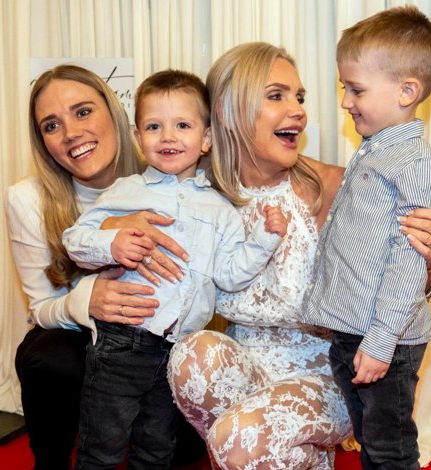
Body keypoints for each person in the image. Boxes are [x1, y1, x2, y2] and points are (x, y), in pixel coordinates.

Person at [166, 42, 431, 470]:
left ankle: (256, 447)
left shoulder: (341, 185)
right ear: (228, 111)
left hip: (331, 369)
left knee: (239, 441)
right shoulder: (198, 198)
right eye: (276, 95)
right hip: (244, 369)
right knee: (191, 355)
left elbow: (401, 276)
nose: (298, 111)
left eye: (299, 97)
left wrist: (426, 263)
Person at [61, 69, 289, 469]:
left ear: (206, 138)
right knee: (102, 443)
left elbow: (230, 276)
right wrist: (112, 242)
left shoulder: (220, 210)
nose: (168, 136)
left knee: (157, 447)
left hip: (178, 351)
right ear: (138, 137)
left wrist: (264, 241)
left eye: (182, 125)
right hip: (122, 342)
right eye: (154, 126)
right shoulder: (125, 191)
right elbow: (75, 241)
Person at [9, 64, 204, 470]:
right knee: (46, 358)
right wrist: (86, 299)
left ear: (114, 112)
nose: (71, 133)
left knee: (183, 447)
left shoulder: (169, 172)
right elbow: (41, 308)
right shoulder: (27, 200)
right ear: (43, 142)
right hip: (78, 337)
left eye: (83, 112)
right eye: (51, 125)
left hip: (156, 334)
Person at [302, 6, 431, 469]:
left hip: (385, 339)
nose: (346, 102)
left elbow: (409, 259)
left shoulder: (414, 163)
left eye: (356, 90)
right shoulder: (373, 153)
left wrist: (382, 339)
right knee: (370, 440)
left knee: (390, 448)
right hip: (355, 333)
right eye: (344, 88)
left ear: (407, 91)